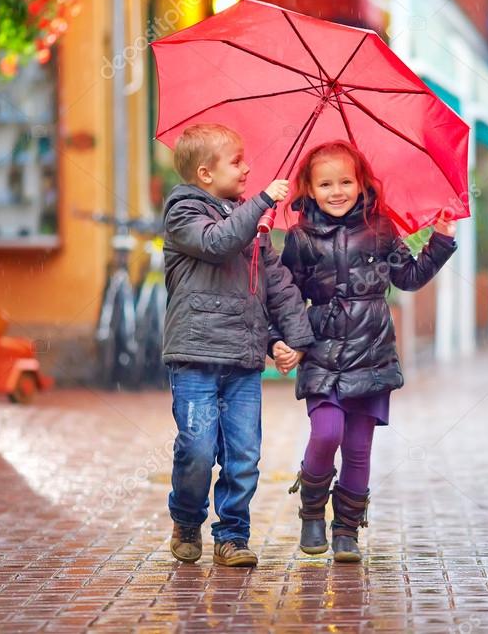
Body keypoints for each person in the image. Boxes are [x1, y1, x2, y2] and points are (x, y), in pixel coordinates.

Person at [272, 141, 457, 562]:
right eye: (325, 184)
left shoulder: (381, 228)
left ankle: (347, 530)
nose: (336, 191)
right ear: (309, 188)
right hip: (322, 350)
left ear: (361, 184)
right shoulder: (300, 238)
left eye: (345, 182)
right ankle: (313, 512)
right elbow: (284, 296)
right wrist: (282, 339)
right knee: (326, 433)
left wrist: (440, 241)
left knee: (358, 448)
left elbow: (408, 277)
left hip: (372, 351)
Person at [161, 123, 314, 567]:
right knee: (197, 448)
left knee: (244, 454)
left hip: (243, 360)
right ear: (205, 174)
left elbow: (278, 286)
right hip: (196, 357)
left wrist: (292, 340)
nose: (247, 168)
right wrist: (264, 202)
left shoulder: (253, 223)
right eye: (237, 161)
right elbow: (218, 242)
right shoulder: (183, 212)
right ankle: (187, 519)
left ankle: (233, 535)